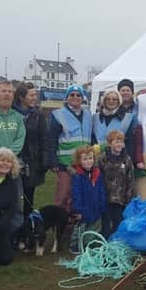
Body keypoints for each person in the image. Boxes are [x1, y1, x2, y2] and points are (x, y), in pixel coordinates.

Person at [49, 84, 93, 212]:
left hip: (84, 164)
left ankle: (77, 227)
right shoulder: (58, 115)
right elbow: (51, 139)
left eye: (78, 95)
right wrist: (53, 161)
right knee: (63, 197)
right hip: (65, 164)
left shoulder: (88, 115)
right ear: (67, 97)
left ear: (82, 97)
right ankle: (60, 226)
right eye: (72, 95)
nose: (75, 97)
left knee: (80, 197)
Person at [13, 83, 51, 226]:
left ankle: (28, 229)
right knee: (13, 197)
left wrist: (44, 162)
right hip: (15, 158)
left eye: (36, 95)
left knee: (28, 198)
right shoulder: (11, 112)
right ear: (22, 97)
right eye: (32, 95)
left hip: (31, 162)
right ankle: (13, 230)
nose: (35, 98)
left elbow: (44, 138)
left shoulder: (37, 115)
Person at [70, 145, 106, 253]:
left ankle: (89, 243)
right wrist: (78, 210)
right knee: (80, 228)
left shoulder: (97, 173)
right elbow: (76, 194)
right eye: (85, 159)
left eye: (90, 158)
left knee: (95, 227)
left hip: (95, 207)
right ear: (79, 160)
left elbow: (101, 189)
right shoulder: (78, 176)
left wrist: (102, 204)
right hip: (83, 208)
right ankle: (75, 245)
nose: (88, 161)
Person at [98, 130, 135, 237]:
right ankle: (104, 244)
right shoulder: (102, 158)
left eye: (121, 142)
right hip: (106, 198)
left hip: (121, 199)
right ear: (110, 143)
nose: (119, 144)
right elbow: (97, 177)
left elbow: (130, 180)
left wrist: (129, 199)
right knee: (105, 224)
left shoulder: (127, 159)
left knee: (118, 224)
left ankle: (116, 245)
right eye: (116, 141)